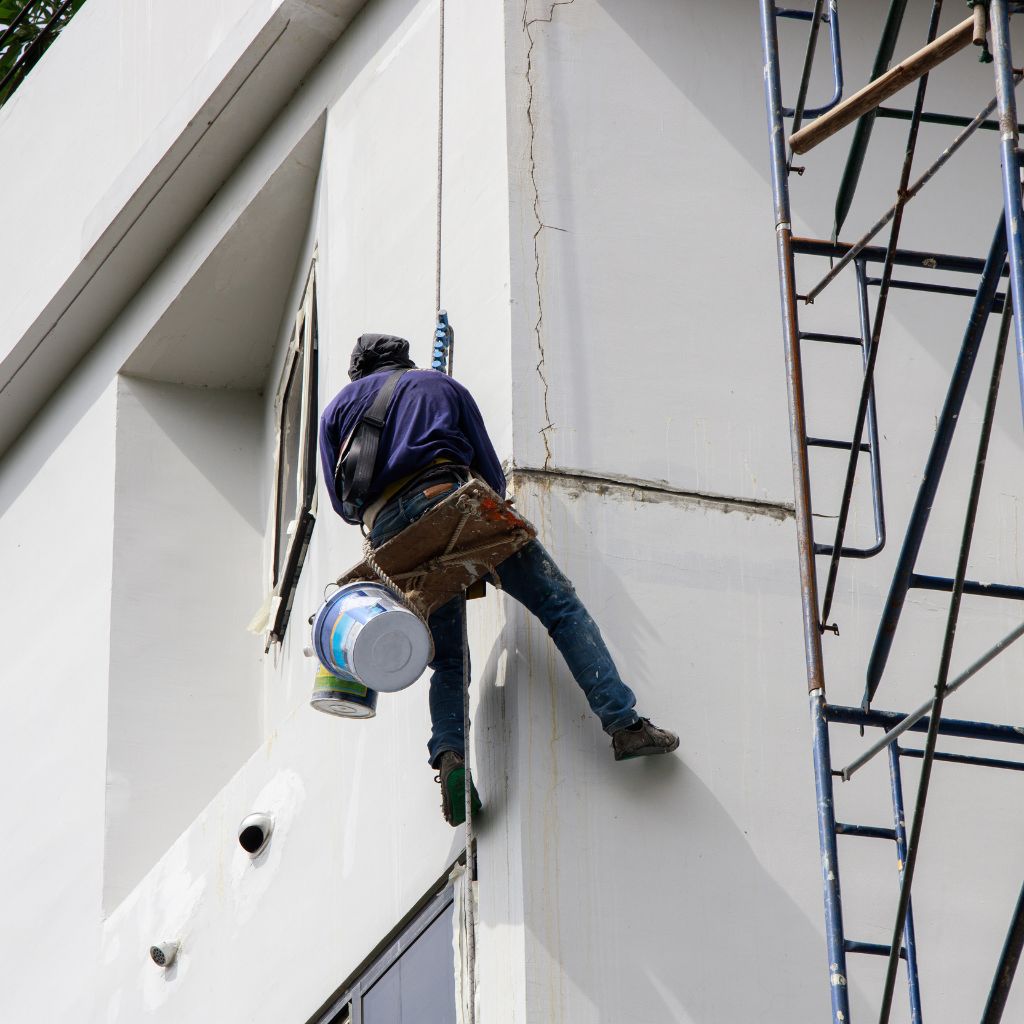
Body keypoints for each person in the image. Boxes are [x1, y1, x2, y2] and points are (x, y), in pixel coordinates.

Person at [320, 333, 679, 826]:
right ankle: (624, 724)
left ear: (358, 373)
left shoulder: (336, 411)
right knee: (559, 606)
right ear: (404, 360)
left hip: (390, 540)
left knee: (448, 659)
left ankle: (451, 758)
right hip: (448, 498)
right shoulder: (437, 385)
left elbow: (343, 505)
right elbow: (489, 469)